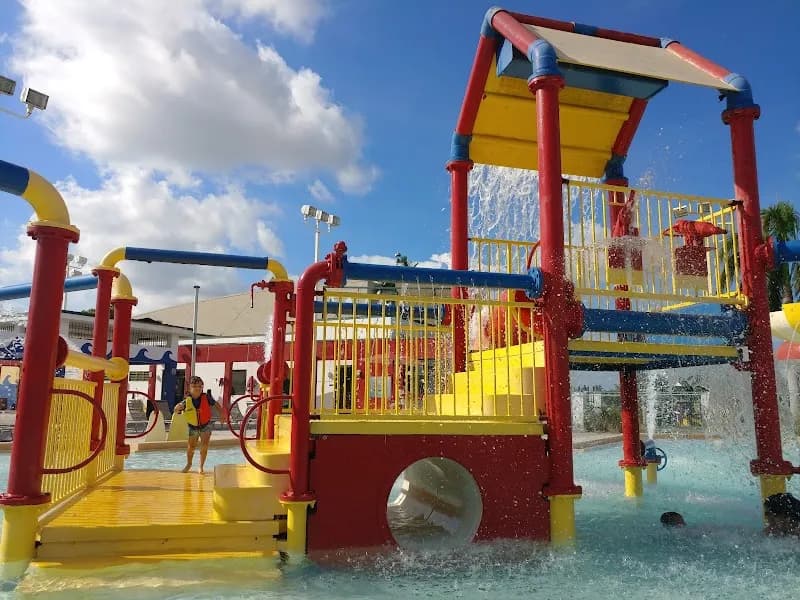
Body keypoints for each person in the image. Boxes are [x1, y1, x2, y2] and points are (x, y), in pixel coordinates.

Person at [174, 376, 224, 474]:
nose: (197, 388)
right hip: (193, 427)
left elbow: (217, 405)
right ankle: (189, 464)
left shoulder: (207, 397)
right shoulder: (186, 401)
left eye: (200, 386)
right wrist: (176, 408)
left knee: (204, 446)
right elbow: (177, 410)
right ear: (190, 388)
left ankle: (201, 467)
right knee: (191, 447)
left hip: (206, 425)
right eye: (195, 386)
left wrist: (222, 414)